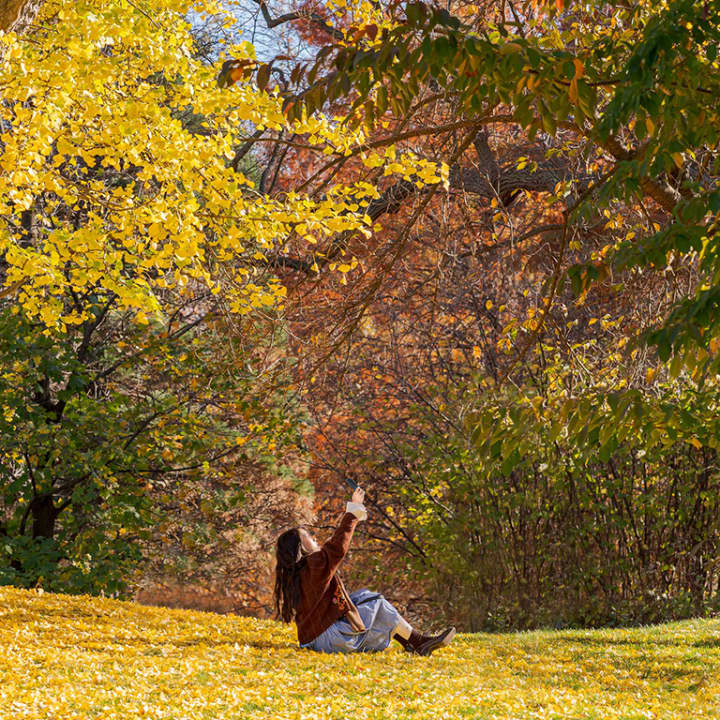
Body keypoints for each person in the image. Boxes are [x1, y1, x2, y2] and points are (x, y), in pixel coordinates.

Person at [273, 485, 456, 655]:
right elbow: (337, 547)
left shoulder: (296, 573)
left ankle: (415, 642)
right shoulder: (314, 564)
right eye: (308, 537)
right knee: (378, 603)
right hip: (330, 640)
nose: (314, 539)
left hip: (311, 640)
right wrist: (353, 511)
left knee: (361, 597)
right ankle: (417, 642)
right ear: (301, 547)